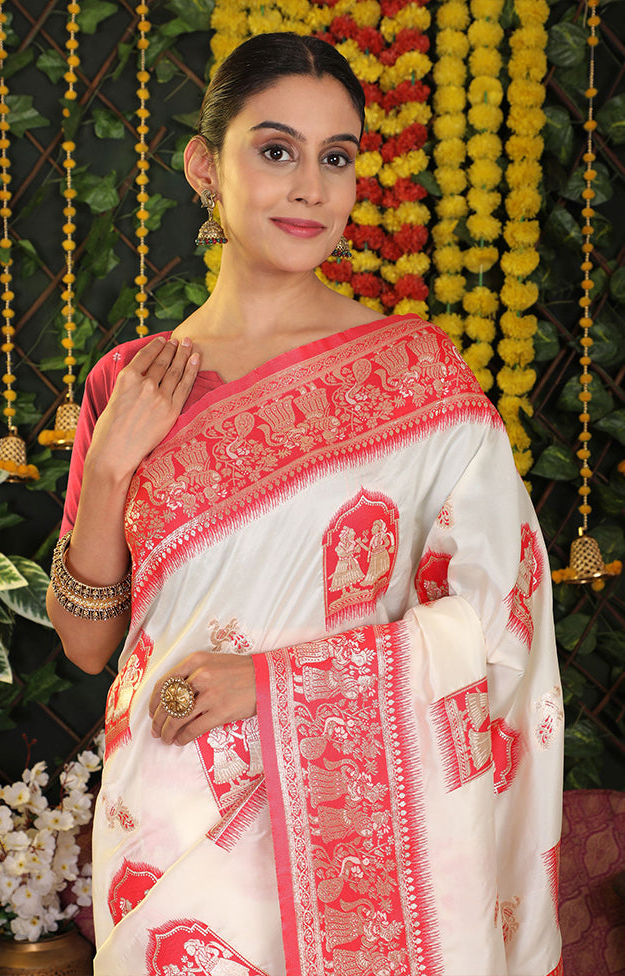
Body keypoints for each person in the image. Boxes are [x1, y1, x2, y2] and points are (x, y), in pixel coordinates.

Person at [47, 31, 564, 976]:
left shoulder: (416, 376)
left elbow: (499, 617)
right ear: (207, 165)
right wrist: (113, 467)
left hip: (357, 817)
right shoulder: (132, 380)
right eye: (276, 150)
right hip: (170, 820)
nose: (310, 188)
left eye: (337, 158)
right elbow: (88, 646)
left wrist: (273, 685)